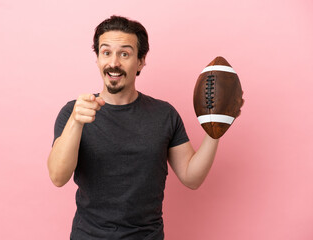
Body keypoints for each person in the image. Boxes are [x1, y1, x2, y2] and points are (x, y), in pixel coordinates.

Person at [48, 15, 219, 240]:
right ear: (98, 58)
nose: (114, 63)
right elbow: (58, 177)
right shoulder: (75, 112)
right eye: (106, 52)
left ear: (140, 61)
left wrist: (216, 128)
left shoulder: (164, 114)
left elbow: (191, 177)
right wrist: (76, 122)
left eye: (125, 54)